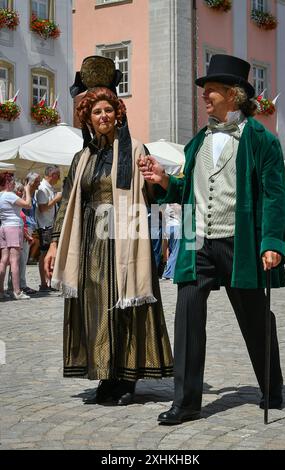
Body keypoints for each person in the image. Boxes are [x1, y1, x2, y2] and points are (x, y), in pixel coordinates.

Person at [138, 54, 285, 424]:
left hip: (240, 244)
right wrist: (162, 182)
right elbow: (187, 189)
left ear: (234, 95)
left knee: (254, 318)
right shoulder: (196, 144)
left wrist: (271, 240)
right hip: (196, 241)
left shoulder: (261, 140)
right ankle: (186, 402)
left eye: (212, 92)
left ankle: (271, 387)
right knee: (187, 316)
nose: (204, 98)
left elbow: (274, 194)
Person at [44, 56, 173, 405]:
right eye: (95, 112)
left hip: (124, 238)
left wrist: (157, 182)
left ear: (118, 115)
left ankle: (124, 377)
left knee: (122, 305)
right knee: (94, 307)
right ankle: (104, 373)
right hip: (88, 241)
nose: (102, 117)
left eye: (107, 111)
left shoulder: (134, 150)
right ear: (87, 118)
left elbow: (152, 194)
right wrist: (55, 244)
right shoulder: (81, 158)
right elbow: (68, 200)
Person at [0, 172, 31, 300]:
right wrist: (28, 190)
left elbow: (19, 205)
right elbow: (28, 204)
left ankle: (1, 291)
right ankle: (17, 291)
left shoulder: (1, 195)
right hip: (13, 227)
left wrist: (24, 193)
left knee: (3, 260)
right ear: (7, 182)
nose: (14, 183)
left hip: (3, 227)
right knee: (14, 260)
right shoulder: (9, 195)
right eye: (12, 181)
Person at [36, 165, 62, 291]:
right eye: (58, 176)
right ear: (53, 175)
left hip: (50, 224)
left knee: (49, 254)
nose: (59, 179)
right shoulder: (42, 189)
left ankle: (48, 281)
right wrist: (56, 199)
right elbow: (42, 208)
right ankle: (44, 283)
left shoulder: (49, 188)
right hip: (45, 226)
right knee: (45, 254)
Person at [161, 203, 181, 280]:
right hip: (176, 227)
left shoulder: (165, 205)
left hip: (168, 227)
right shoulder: (177, 205)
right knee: (175, 251)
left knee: (171, 250)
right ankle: (170, 274)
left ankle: (167, 272)